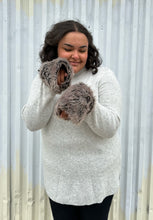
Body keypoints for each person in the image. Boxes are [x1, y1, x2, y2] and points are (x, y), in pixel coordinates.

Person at [21, 20, 122, 220]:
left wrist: (86, 104)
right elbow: (32, 123)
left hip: (97, 178)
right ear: (55, 49)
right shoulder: (43, 79)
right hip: (60, 179)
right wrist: (51, 89)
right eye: (68, 49)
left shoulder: (103, 77)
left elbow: (110, 127)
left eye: (82, 50)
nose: (76, 55)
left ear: (89, 51)